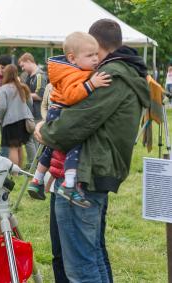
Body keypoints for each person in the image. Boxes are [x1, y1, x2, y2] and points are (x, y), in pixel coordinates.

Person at [34, 19, 150, 282]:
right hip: (95, 170)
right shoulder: (125, 72)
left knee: (81, 267)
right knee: (92, 255)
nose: (92, 58)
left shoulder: (112, 76)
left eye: (92, 51)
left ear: (97, 45)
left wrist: (44, 130)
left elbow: (78, 121)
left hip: (86, 175)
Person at [28, 32, 111, 208]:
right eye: (90, 55)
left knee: (50, 148)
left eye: (96, 54)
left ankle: (37, 179)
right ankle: (69, 184)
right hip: (61, 111)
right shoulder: (73, 74)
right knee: (75, 143)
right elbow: (71, 96)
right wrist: (91, 85)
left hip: (55, 111)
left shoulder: (71, 69)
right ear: (72, 58)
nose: (96, 59)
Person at [0, 64, 33, 167]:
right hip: (23, 120)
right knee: (19, 147)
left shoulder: (4, 88)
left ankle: (14, 173)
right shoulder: (22, 87)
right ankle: (20, 170)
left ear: (6, 74)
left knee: (12, 148)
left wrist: (0, 118)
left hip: (10, 121)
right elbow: (30, 102)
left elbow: (3, 107)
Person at [18, 53, 48, 169]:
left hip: (37, 114)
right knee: (33, 140)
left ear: (29, 61)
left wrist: (23, 94)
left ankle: (34, 165)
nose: (22, 69)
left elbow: (40, 95)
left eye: (23, 65)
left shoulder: (39, 76)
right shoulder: (30, 76)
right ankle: (35, 165)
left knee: (33, 140)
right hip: (31, 113)